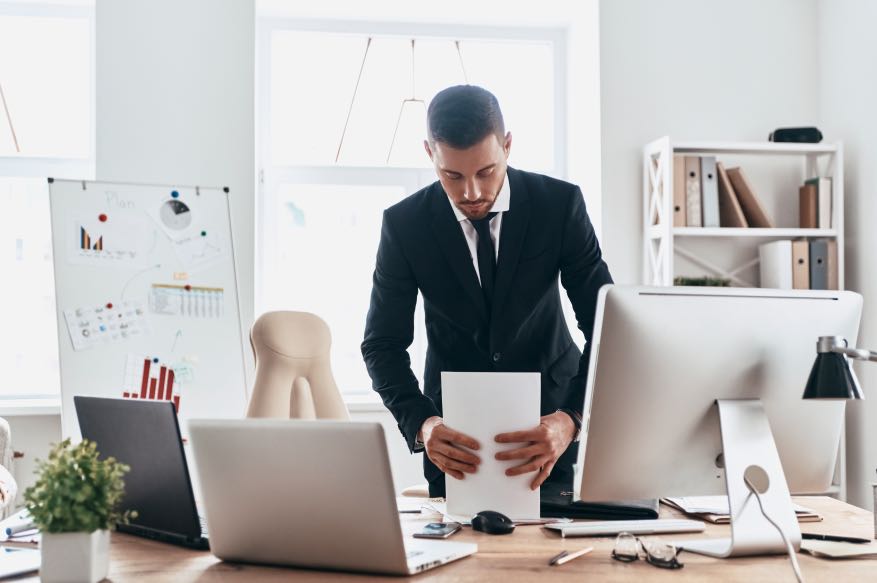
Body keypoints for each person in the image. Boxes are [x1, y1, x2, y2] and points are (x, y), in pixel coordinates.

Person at [361, 85, 612, 497]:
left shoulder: (559, 206)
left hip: (553, 434)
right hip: (455, 444)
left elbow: (606, 327)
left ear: (508, 145)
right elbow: (381, 345)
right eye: (452, 176)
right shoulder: (404, 226)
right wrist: (425, 425)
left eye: (486, 171)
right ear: (430, 154)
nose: (471, 193)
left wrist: (571, 418)